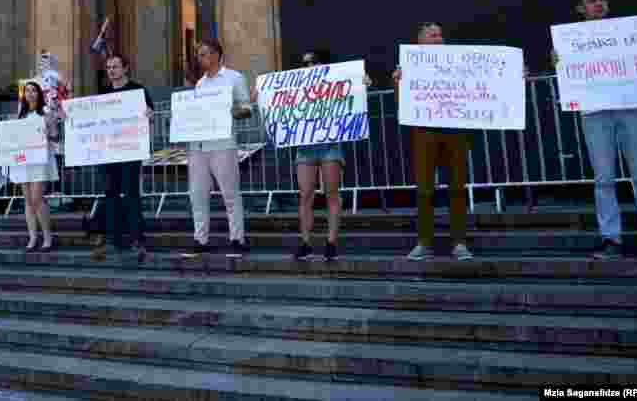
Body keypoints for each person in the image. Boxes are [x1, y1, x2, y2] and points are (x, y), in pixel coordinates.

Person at [554, 0, 637, 260]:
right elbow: (566, 72)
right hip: (595, 112)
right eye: (592, 1)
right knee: (604, 177)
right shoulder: (571, 40)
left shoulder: (631, 34)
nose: (599, 4)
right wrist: (559, 62)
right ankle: (611, 238)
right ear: (581, 9)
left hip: (631, 108)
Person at [251, 50, 373, 261]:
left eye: (312, 62)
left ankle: (331, 242)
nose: (308, 66)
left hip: (329, 144)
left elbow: (352, 94)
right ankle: (306, 242)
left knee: (331, 193)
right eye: (305, 63)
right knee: (305, 194)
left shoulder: (333, 83)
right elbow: (278, 102)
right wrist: (260, 95)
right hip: (304, 146)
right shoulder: (298, 86)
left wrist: (362, 84)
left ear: (323, 65)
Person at [393, 23, 474, 261]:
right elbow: (401, 103)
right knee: (425, 190)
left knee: (458, 187)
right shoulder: (409, 66)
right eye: (432, 35)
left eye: (440, 35)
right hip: (424, 131)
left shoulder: (459, 62)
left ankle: (459, 243)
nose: (439, 39)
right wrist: (398, 81)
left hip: (455, 130)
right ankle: (424, 242)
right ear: (420, 41)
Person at [182, 39, 253, 258]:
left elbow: (246, 109)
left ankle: (237, 239)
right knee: (198, 194)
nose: (200, 58)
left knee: (230, 193)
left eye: (203, 54)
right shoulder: (200, 84)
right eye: (199, 54)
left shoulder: (234, 78)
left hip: (223, 144)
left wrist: (227, 111)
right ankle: (200, 238)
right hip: (199, 146)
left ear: (215, 55)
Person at [91, 54, 154, 262]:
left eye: (115, 67)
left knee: (131, 195)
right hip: (109, 153)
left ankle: (138, 238)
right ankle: (114, 238)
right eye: (108, 67)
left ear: (125, 68)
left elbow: (149, 115)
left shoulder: (138, 90)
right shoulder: (104, 93)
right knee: (110, 195)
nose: (111, 70)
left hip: (130, 152)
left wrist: (149, 115)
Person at [12, 81, 63, 252]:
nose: (30, 94)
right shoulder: (20, 115)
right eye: (27, 91)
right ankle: (33, 237)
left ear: (39, 94)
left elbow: (55, 138)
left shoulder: (47, 113)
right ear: (24, 95)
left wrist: (49, 131)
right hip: (24, 160)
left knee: (37, 199)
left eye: (34, 90)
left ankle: (48, 236)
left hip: (40, 160)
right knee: (27, 200)